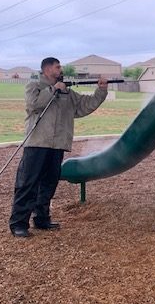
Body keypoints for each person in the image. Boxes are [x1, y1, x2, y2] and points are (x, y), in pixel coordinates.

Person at [9, 57, 108, 237]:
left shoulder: (67, 93)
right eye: (57, 66)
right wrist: (53, 89)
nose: (61, 69)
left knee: (49, 183)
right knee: (28, 183)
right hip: (38, 143)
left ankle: (42, 219)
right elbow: (33, 104)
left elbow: (85, 105)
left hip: (57, 145)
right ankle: (18, 223)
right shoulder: (35, 85)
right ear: (47, 69)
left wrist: (101, 91)